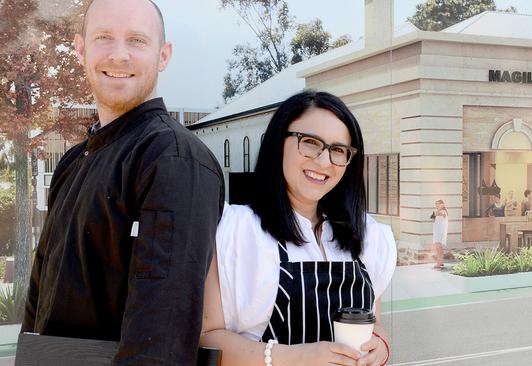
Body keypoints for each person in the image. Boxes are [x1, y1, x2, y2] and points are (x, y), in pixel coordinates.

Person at [21, 0, 225, 364]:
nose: (119, 55)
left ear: (163, 56)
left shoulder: (173, 158)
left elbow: (162, 334)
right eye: (103, 38)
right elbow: (40, 300)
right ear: (81, 49)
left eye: (136, 40)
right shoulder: (73, 161)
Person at [200, 91, 396, 366]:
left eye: (338, 150)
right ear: (279, 142)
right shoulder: (236, 230)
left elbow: (374, 326)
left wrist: (382, 346)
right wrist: (297, 357)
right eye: (311, 143)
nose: (324, 161)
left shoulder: (368, 236)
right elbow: (207, 338)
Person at [431, 199, 449, 270]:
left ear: (442, 204)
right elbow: (433, 219)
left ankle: (439, 263)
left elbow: (441, 215)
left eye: (438, 204)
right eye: (436, 204)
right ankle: (440, 262)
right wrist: (437, 211)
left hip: (440, 232)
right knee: (438, 247)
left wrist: (440, 208)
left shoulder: (443, 211)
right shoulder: (436, 211)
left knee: (439, 248)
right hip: (436, 231)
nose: (436, 205)